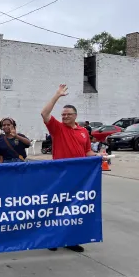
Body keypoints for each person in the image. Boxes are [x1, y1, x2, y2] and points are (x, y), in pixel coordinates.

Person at [41, 84, 101, 253]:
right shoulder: (57, 129)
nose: (65, 117)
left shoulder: (83, 132)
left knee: (74, 209)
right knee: (56, 208)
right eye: (63, 114)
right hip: (59, 175)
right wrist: (57, 96)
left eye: (68, 114)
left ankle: (70, 239)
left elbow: (87, 151)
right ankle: (52, 239)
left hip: (79, 177)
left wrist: (97, 156)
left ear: (76, 116)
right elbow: (44, 114)